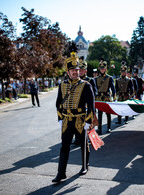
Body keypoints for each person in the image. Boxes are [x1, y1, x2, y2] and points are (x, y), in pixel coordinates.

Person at [53, 46, 95, 183]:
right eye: (73, 70)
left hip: (80, 120)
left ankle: (85, 166)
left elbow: (91, 105)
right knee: (64, 146)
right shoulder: (62, 85)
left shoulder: (86, 85)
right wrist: (60, 118)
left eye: (77, 70)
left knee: (84, 144)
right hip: (66, 120)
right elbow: (58, 103)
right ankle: (61, 173)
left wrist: (88, 121)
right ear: (68, 72)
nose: (76, 72)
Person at [72, 56, 97, 146]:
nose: (81, 72)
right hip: (77, 105)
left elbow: (95, 93)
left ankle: (87, 138)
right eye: (80, 70)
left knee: (87, 123)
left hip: (86, 106)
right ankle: (77, 139)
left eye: (82, 70)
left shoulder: (90, 80)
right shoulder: (76, 81)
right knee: (76, 122)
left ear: (85, 71)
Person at [95, 58, 116, 134]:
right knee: (99, 114)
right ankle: (99, 129)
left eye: (103, 68)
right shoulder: (96, 79)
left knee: (108, 113)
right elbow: (95, 89)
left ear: (106, 69)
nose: (102, 70)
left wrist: (114, 97)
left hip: (107, 97)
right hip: (99, 97)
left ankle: (109, 127)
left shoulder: (109, 78)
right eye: (101, 69)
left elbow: (113, 88)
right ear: (99, 69)